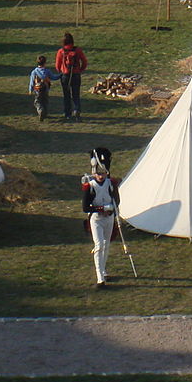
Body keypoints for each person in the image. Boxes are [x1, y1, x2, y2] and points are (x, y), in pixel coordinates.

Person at [82, 149, 120, 288]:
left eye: (102, 173)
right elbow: (85, 207)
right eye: (98, 173)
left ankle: (103, 271)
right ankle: (100, 277)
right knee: (99, 246)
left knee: (107, 245)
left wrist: (112, 208)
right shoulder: (89, 186)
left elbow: (117, 200)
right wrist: (102, 209)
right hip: (96, 219)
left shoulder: (111, 184)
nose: (100, 176)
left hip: (109, 218)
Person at [56, 32, 88, 121]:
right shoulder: (78, 50)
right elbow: (84, 62)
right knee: (76, 94)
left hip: (65, 75)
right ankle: (77, 109)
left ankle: (67, 114)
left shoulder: (61, 51)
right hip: (76, 74)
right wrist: (80, 70)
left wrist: (61, 71)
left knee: (66, 95)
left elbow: (57, 65)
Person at [29, 55, 60, 121]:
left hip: (37, 89)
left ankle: (40, 111)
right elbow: (54, 77)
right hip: (45, 88)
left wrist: (30, 90)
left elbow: (32, 82)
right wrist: (61, 75)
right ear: (45, 63)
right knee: (45, 101)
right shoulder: (47, 71)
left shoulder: (34, 72)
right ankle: (45, 113)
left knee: (38, 102)